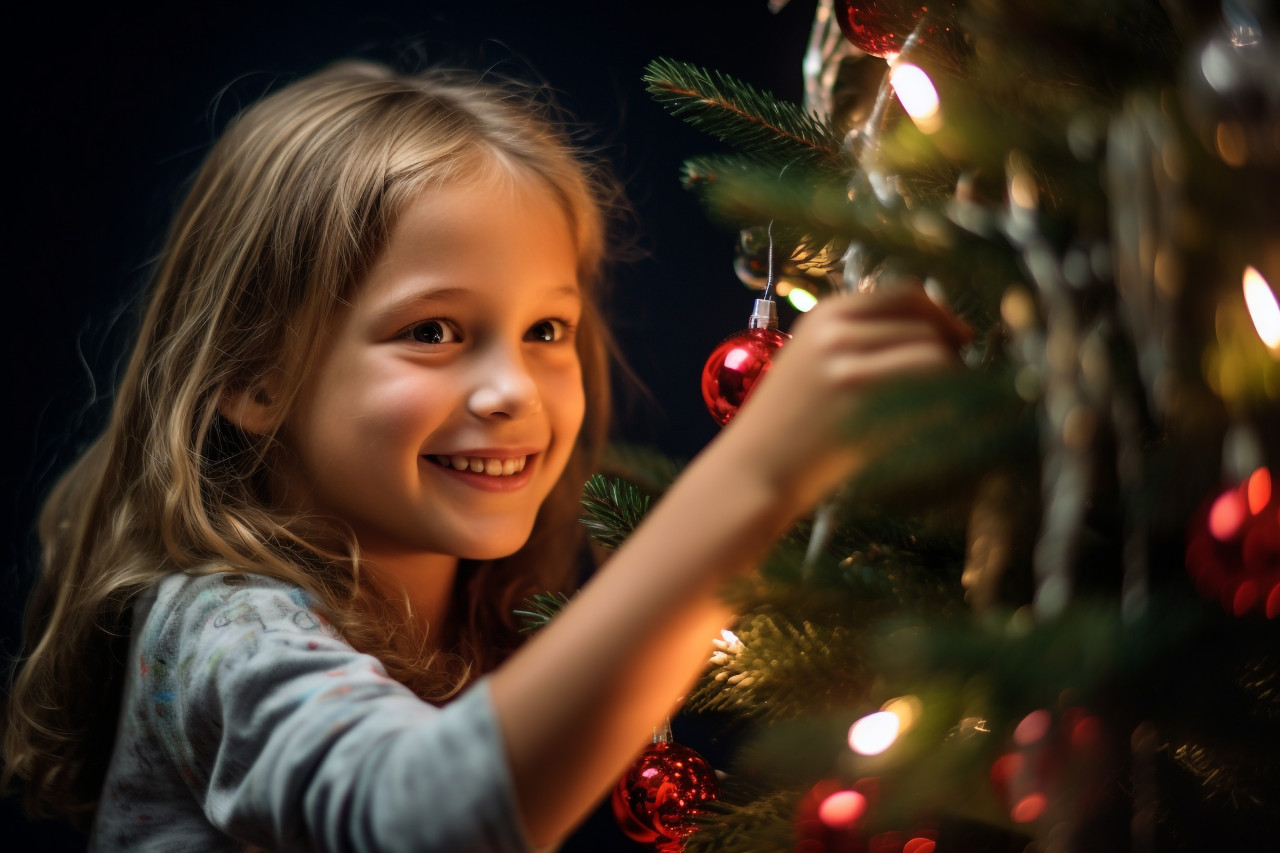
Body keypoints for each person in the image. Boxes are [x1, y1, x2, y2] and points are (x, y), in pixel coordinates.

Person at [2, 60, 971, 851]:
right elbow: (422, 819)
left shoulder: (473, 630)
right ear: (256, 378)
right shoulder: (220, 626)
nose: (510, 388)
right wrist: (753, 479)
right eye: (431, 330)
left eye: (546, 328)